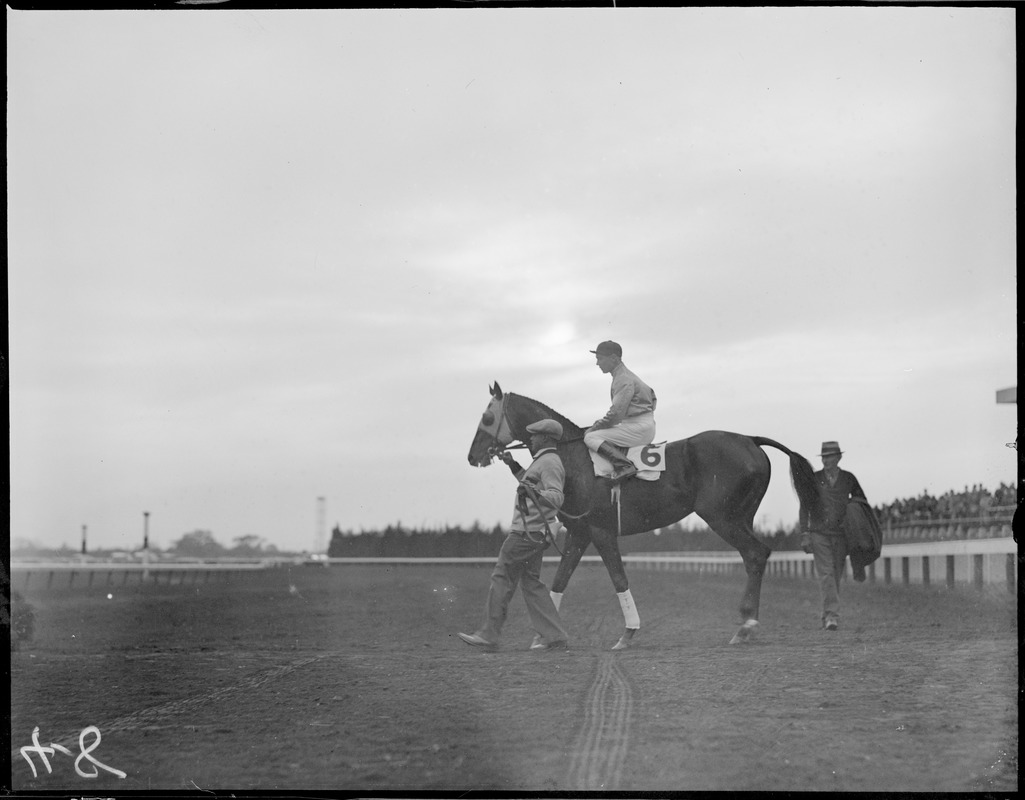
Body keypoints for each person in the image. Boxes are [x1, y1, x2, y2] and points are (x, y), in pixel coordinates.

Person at [458, 419, 570, 652]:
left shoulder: (549, 462)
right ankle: (554, 636)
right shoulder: (544, 461)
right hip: (536, 533)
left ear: (546, 438)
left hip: (524, 534)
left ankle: (489, 634)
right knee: (531, 583)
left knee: (502, 578)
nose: (531, 439)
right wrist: (512, 465)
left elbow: (556, 497)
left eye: (535, 435)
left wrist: (534, 492)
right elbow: (529, 485)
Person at [799, 441, 868, 631]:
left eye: (830, 457)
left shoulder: (848, 479)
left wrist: (852, 514)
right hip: (819, 533)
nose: (827, 460)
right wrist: (804, 532)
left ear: (839, 458)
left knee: (835, 574)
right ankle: (832, 615)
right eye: (824, 457)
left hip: (841, 534)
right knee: (827, 574)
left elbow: (861, 500)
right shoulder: (813, 478)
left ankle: (827, 613)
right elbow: (805, 506)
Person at [583, 340, 657, 482]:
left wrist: (594, 428)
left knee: (590, 437)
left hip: (639, 427)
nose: (597, 363)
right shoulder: (625, 376)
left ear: (613, 358)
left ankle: (625, 466)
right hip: (641, 423)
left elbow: (615, 415)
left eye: (600, 359)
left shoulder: (623, 379)